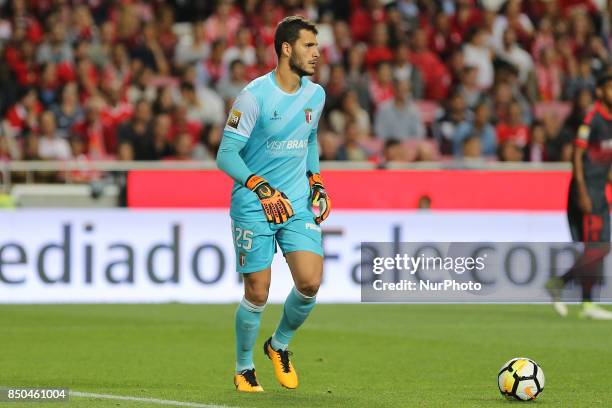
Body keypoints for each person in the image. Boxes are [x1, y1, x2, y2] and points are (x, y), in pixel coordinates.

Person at [215, 16, 331, 392]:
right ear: (286, 48)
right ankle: (244, 367)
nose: (316, 53)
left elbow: (309, 139)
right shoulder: (254, 96)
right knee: (258, 292)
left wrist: (315, 181)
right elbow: (226, 155)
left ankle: (278, 345)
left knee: (311, 282)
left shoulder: (316, 95)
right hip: (254, 203)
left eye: (316, 46)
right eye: (308, 46)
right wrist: (261, 186)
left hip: (295, 202)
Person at [547, 73, 612, 319]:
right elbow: (577, 155)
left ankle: (586, 303)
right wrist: (582, 191)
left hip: (599, 191)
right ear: (600, 92)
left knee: (599, 247)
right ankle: (563, 285)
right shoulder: (592, 118)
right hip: (586, 191)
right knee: (598, 247)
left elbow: (603, 160)